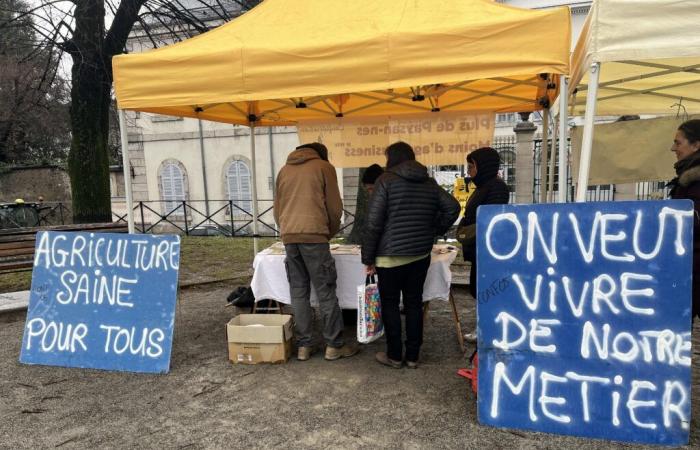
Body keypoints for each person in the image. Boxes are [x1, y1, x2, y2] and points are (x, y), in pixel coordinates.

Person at [362, 141, 460, 368]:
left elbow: (373, 223)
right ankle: (413, 356)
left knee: (390, 304)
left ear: (392, 159)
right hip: (419, 254)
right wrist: (435, 229)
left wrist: (368, 258)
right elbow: (453, 207)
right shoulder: (429, 182)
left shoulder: (384, 181)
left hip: (389, 257)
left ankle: (395, 355)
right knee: (414, 303)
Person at [273, 142, 359, 361]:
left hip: (289, 237)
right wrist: (328, 233)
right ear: (322, 154)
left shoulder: (284, 170)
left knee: (298, 292)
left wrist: (287, 231)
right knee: (326, 291)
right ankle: (334, 345)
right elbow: (334, 208)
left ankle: (304, 346)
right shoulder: (323, 167)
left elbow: (277, 209)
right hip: (314, 236)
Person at [457, 147, 510, 342]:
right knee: (478, 289)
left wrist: (467, 227)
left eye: (471, 166)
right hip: (478, 249)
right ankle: (483, 327)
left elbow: (490, 220)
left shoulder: (496, 187)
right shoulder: (482, 186)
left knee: (485, 290)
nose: (469, 171)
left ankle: (487, 329)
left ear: (484, 167)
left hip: (488, 249)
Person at [668, 119, 700, 321]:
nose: (673, 148)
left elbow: (693, 220)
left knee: (677, 320)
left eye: (678, 143)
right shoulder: (687, 176)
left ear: (696, 145)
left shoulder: (694, 180)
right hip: (690, 265)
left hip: (694, 266)